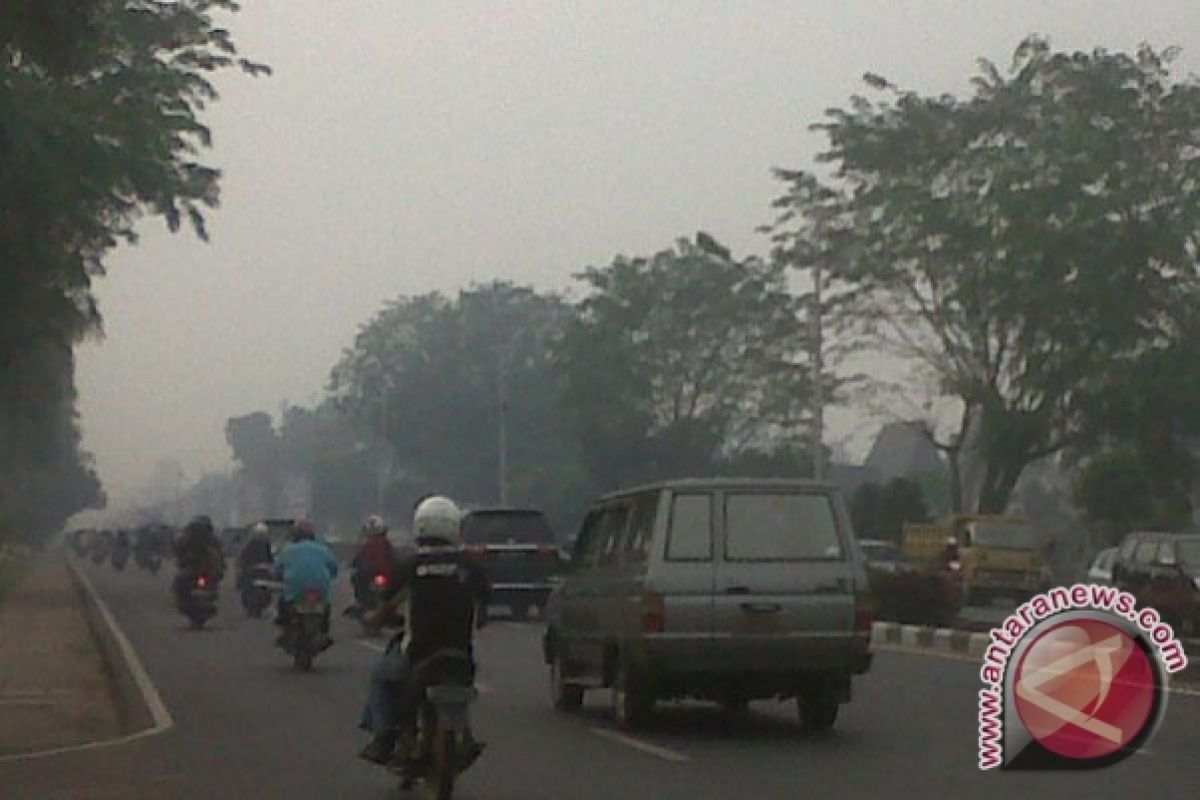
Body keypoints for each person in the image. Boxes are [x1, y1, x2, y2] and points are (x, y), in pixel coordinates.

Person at [358, 495, 490, 766]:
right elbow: (483, 614)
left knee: (381, 679)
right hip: (460, 653)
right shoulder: (469, 565)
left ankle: (383, 739)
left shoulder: (411, 565)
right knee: (460, 687)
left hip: (418, 652)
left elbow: (386, 607)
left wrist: (374, 619)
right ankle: (466, 735)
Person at [274, 519, 338, 648]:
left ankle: (285, 627)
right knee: (325, 606)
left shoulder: (288, 550)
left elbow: (277, 569)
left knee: (283, 603)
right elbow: (334, 569)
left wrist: (281, 578)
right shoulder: (323, 549)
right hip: (320, 589)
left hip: (295, 589)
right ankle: (323, 630)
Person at [351, 515, 398, 609]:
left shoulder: (368, 544)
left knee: (355, 578)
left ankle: (360, 602)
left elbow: (358, 559)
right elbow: (395, 558)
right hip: (384, 573)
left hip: (370, 573)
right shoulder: (387, 543)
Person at [172, 516, 225, 600]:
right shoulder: (212, 541)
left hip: (203, 569)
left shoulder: (212, 542)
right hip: (196, 569)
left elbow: (219, 557)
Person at [237, 522, 275, 591]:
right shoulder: (267, 543)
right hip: (259, 570)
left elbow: (243, 556)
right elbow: (271, 558)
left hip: (255, 570)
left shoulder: (251, 543)